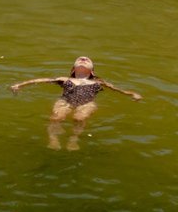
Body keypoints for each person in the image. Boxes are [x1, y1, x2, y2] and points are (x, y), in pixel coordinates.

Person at [9, 56, 141, 149]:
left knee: (79, 117)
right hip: (65, 100)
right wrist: (20, 85)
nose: (83, 59)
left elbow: (117, 89)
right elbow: (41, 80)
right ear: (73, 69)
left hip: (87, 103)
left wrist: (132, 93)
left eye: (87, 60)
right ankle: (53, 138)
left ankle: (74, 138)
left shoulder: (98, 82)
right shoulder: (64, 79)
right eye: (80, 59)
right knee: (56, 117)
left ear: (92, 71)